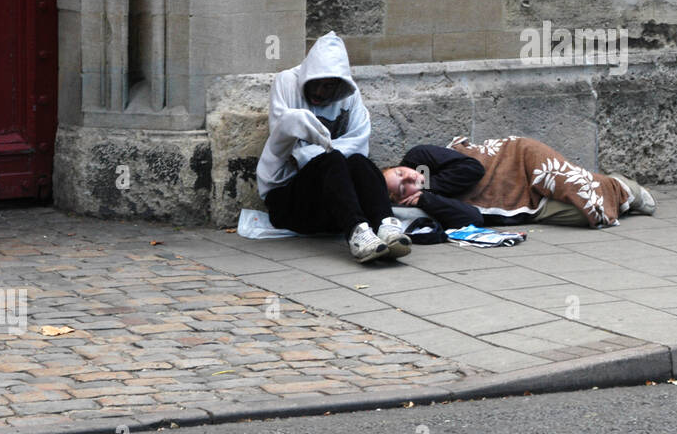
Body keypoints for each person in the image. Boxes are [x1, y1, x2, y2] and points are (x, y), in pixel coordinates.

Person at [255, 32, 411, 262]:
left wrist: (311, 153)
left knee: (358, 162)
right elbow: (282, 135)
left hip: (332, 205)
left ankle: (386, 225)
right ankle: (357, 233)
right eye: (316, 84)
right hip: (289, 203)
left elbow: (359, 142)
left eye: (328, 86)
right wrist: (315, 151)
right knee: (334, 160)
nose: (320, 92)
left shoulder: (350, 95)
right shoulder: (286, 82)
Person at [383, 136, 656, 230]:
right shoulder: (424, 203)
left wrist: (426, 186)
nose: (407, 178)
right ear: (401, 200)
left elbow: (471, 168)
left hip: (516, 159)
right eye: (402, 187)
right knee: (585, 214)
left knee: (571, 184)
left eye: (399, 173)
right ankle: (613, 190)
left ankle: (623, 188)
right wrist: (427, 198)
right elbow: (473, 218)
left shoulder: (418, 159)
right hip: (519, 203)